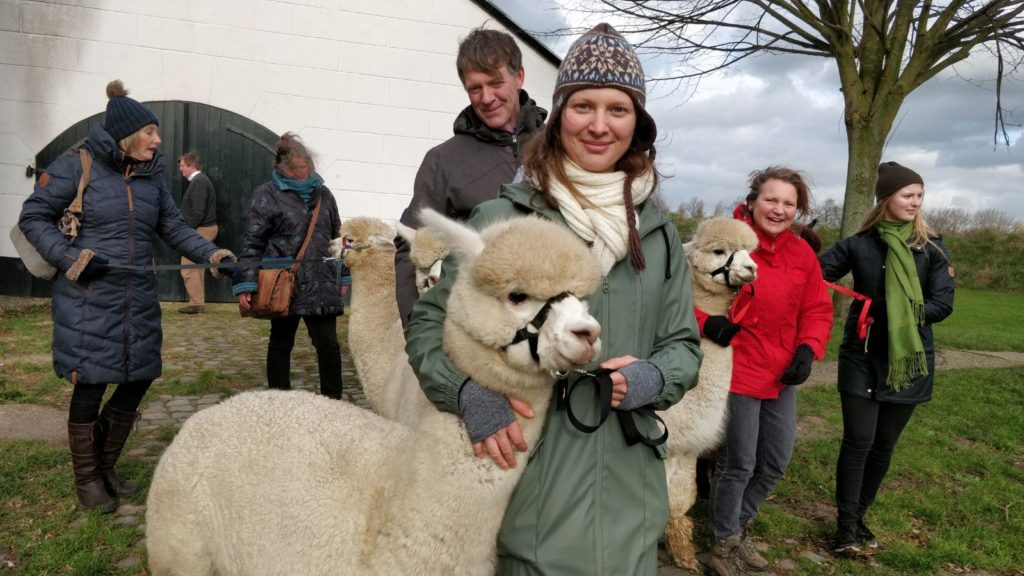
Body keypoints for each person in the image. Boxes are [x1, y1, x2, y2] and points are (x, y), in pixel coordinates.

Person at [406, 24, 703, 575]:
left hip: (629, 500)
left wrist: (654, 379)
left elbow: (684, 345)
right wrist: (465, 392)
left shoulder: (657, 238)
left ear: (637, 123)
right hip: (532, 493)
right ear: (559, 113)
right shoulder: (503, 219)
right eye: (582, 106)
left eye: (617, 109)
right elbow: (428, 323)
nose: (598, 125)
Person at [17, 80, 235, 513]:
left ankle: (106, 463)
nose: (158, 140)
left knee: (139, 377)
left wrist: (214, 255)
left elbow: (172, 228)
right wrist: (71, 257)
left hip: (138, 297)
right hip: (87, 296)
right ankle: (88, 479)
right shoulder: (75, 165)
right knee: (91, 381)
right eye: (150, 133)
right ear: (128, 135)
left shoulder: (152, 180)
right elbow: (33, 217)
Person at [698, 167, 834, 576]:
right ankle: (723, 544)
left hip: (780, 372)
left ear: (798, 209)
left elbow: (817, 308)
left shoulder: (801, 254)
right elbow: (682, 297)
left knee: (773, 461)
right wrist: (706, 323)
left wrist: (809, 349)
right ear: (754, 200)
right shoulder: (728, 244)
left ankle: (737, 529)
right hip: (737, 367)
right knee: (739, 462)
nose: (778, 209)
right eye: (771, 200)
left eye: (788, 203)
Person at [818, 162, 955, 555]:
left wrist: (898, 310)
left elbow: (943, 304)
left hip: (908, 361)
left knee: (883, 446)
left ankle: (859, 515)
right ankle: (845, 528)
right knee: (858, 441)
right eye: (907, 194)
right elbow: (812, 272)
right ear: (886, 199)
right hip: (861, 355)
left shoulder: (931, 248)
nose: (915, 202)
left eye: (919, 195)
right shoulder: (859, 244)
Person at [394, 27, 547, 326]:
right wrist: (419, 334)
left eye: (495, 83)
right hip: (479, 327)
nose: (486, 97)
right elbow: (410, 247)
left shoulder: (558, 147)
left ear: (519, 77)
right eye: (474, 88)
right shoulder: (443, 161)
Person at [232, 133, 346, 400]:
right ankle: (278, 401)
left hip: (320, 281)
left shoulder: (324, 194)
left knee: (329, 345)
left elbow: (337, 237)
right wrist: (246, 282)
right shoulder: (266, 195)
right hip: (284, 284)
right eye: (297, 168)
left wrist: (344, 276)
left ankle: (334, 402)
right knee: (281, 343)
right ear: (283, 168)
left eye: (306, 165)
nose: (303, 171)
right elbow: (252, 241)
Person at [176, 152, 218, 314]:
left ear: (192, 166)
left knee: (187, 266)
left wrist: (186, 231)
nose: (180, 170)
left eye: (182, 166)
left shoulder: (199, 182)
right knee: (195, 266)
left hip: (202, 228)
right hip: (203, 228)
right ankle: (197, 303)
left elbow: (199, 212)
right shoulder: (199, 181)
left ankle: (196, 304)